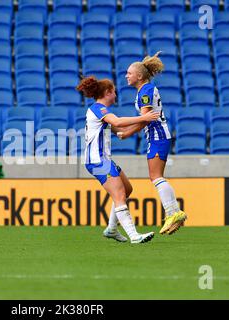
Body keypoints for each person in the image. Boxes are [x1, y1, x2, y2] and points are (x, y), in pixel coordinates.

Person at [76, 76, 160, 244]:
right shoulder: (99, 109)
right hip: (97, 161)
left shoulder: (100, 112)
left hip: (103, 159)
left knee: (127, 189)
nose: (115, 95)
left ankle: (112, 229)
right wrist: (143, 118)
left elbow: (119, 130)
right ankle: (134, 236)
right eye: (113, 91)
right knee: (119, 194)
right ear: (107, 92)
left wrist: (135, 129)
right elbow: (118, 122)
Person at [117, 51, 187, 235]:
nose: (126, 75)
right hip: (157, 135)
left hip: (158, 136)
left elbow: (146, 119)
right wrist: (128, 132)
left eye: (129, 73)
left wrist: (127, 132)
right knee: (156, 176)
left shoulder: (145, 91)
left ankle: (173, 212)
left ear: (139, 76)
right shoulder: (145, 90)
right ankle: (173, 212)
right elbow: (145, 118)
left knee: (156, 176)